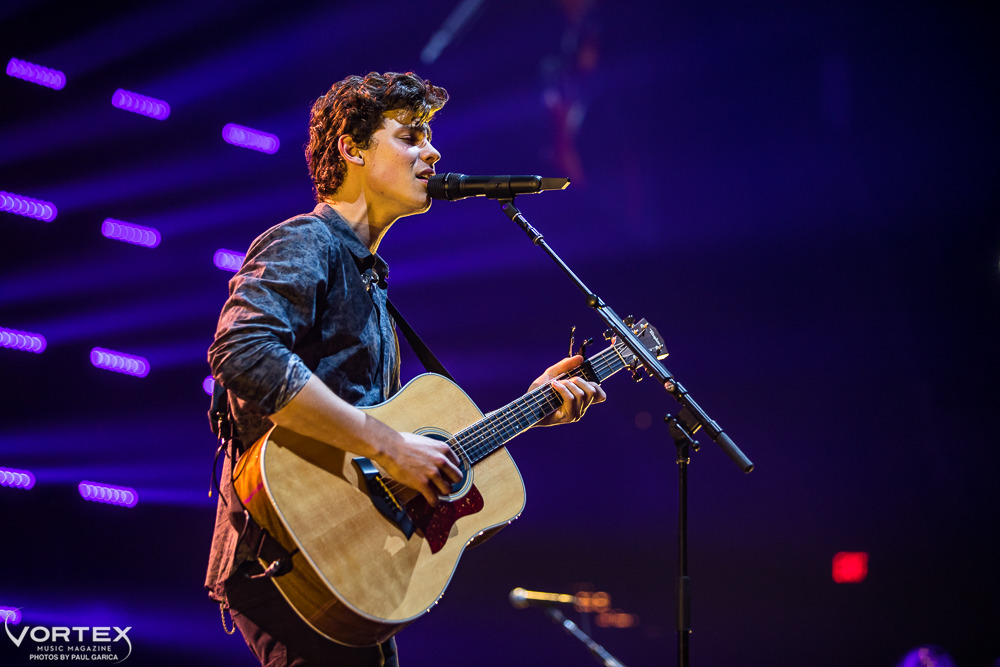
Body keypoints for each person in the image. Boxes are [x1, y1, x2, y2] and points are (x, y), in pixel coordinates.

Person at [205, 71, 605, 666]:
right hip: (287, 550)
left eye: (430, 138)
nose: (433, 152)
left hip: (353, 566)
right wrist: (390, 446)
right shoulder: (306, 241)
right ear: (352, 148)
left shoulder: (368, 278)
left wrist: (534, 407)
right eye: (411, 137)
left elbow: (384, 450)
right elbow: (243, 352)